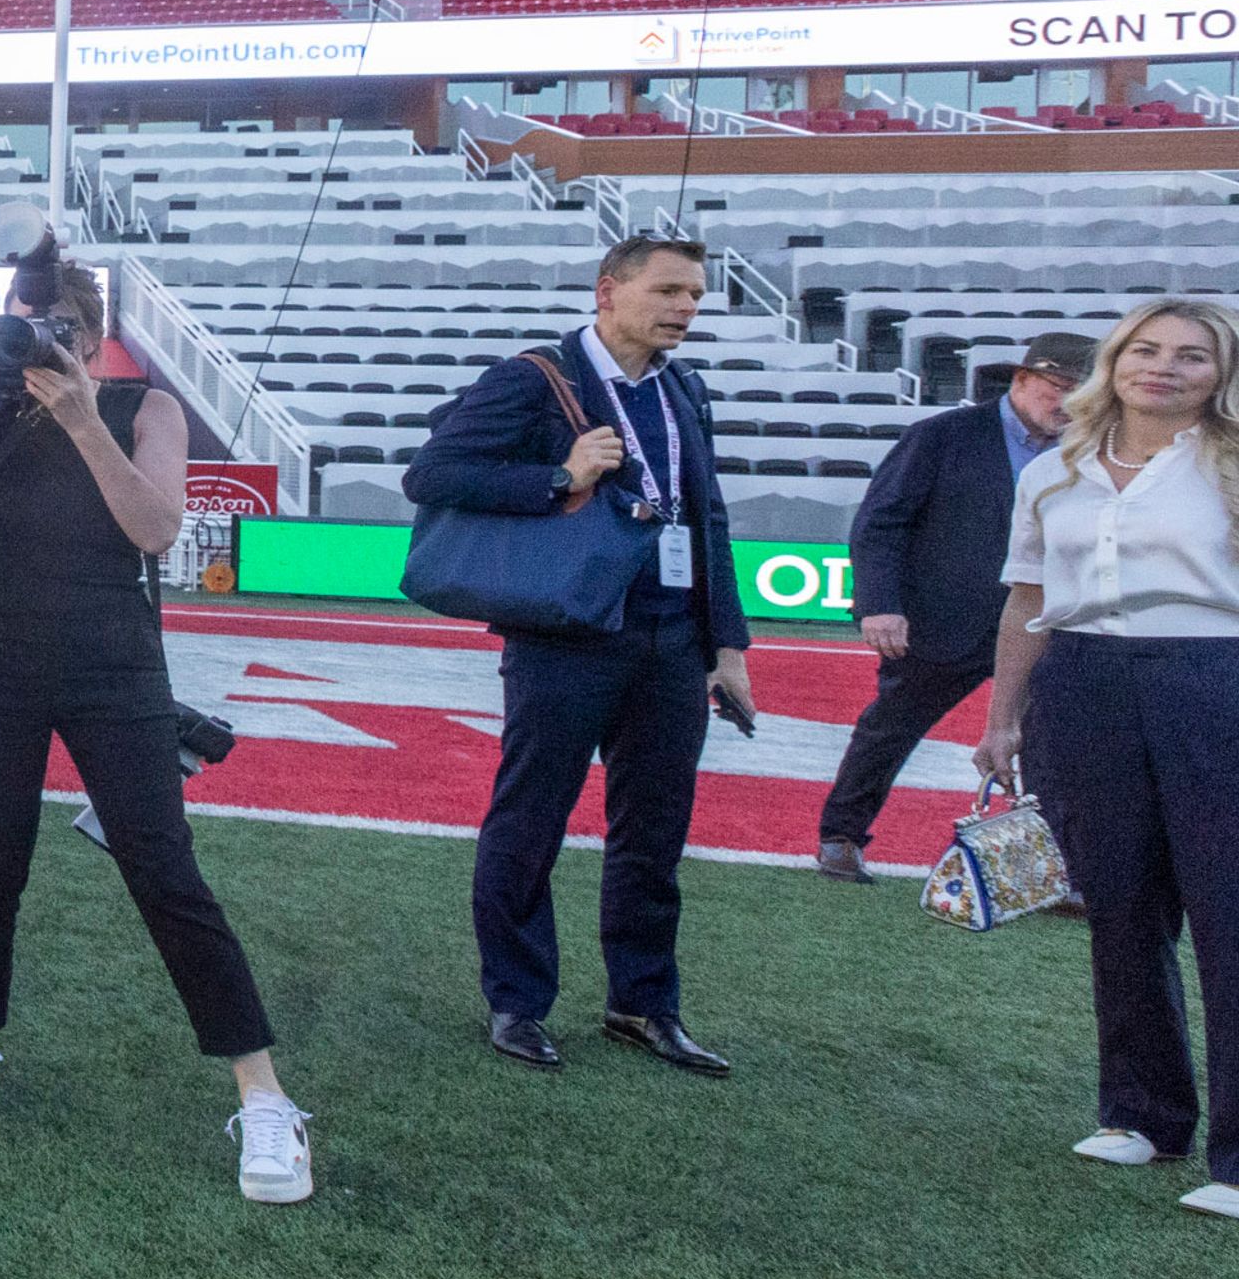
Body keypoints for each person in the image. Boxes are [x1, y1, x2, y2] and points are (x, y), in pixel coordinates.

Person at [0, 238, 309, 1202]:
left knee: (164, 868)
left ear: (95, 336)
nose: (39, 347)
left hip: (111, 659)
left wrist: (86, 420)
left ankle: (263, 1095)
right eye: (23, 330)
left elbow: (157, 528)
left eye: (61, 332)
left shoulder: (144, 406)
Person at [405, 236, 758, 1078]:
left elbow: (707, 519)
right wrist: (557, 478)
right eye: (670, 290)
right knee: (531, 821)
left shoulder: (684, 388)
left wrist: (728, 644)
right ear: (608, 291)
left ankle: (643, 1004)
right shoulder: (531, 378)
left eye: (697, 295)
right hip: (564, 634)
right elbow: (433, 474)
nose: (686, 308)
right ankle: (517, 1004)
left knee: (655, 834)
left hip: (671, 639)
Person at [972, 299, 1239, 1223]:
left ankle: (1238, 1158)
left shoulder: (1234, 462)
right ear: (1114, 361)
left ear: (1221, 373)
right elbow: (1025, 603)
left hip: (1216, 680)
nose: (1163, 368)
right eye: (1146, 349)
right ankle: (1142, 1114)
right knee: (1119, 905)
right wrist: (1005, 720)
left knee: (1229, 911)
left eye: (1192, 356)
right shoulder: (1052, 471)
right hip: (1081, 685)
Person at [814, 331, 1097, 878]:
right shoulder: (943, 435)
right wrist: (878, 604)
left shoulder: (1089, 451)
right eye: (1056, 387)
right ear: (1020, 380)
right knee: (890, 730)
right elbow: (881, 524)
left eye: (1080, 392)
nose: (1066, 403)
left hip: (1046, 622)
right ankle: (841, 836)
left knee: (1053, 743)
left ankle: (1058, 865)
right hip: (941, 621)